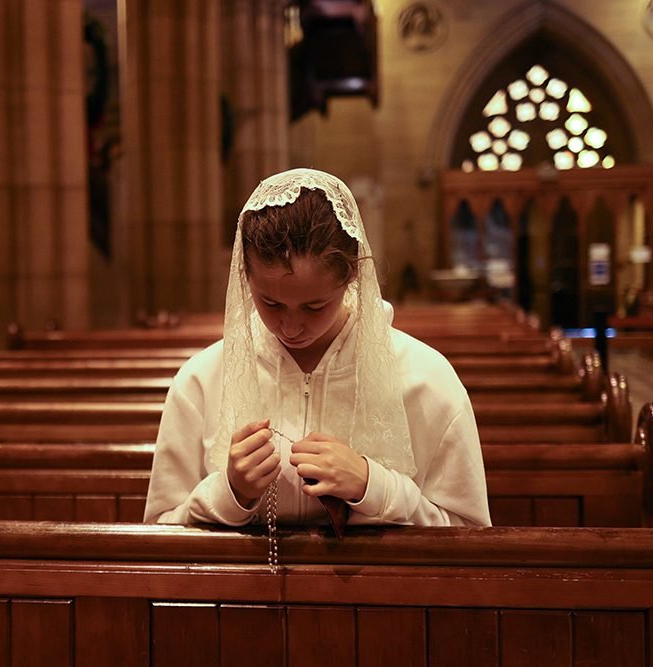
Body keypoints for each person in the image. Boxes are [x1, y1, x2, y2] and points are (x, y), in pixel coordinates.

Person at [143, 168, 490, 532]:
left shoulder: (426, 378)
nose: (291, 328)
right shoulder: (200, 380)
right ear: (245, 277)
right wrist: (230, 493)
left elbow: (471, 536)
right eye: (271, 303)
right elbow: (159, 531)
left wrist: (375, 486)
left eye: (314, 306)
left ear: (352, 276)